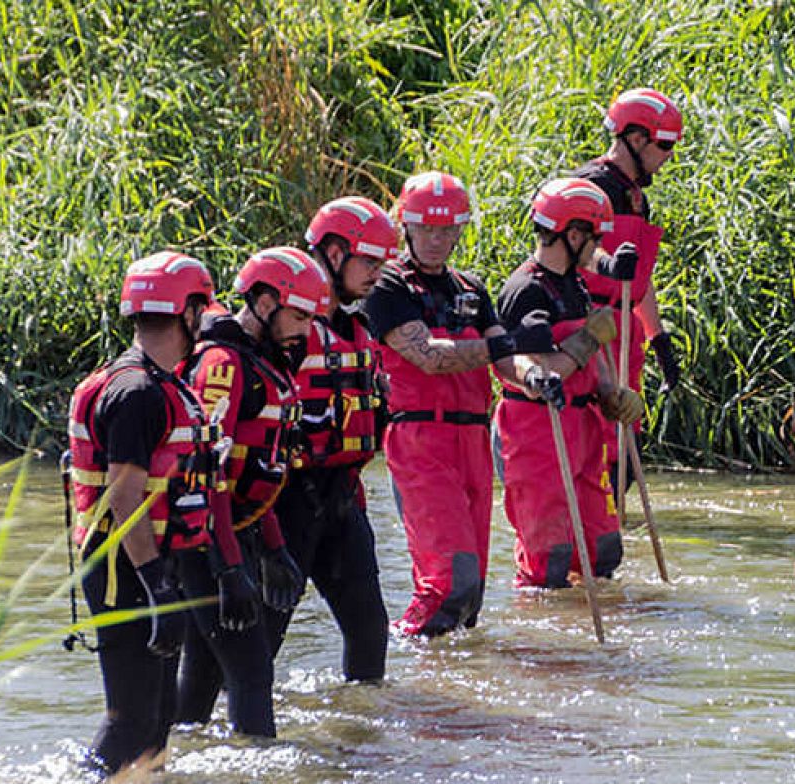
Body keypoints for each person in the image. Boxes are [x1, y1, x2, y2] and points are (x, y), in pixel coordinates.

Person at [365, 172, 550, 635]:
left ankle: (453, 672)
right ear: (406, 227)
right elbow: (428, 357)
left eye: (446, 230)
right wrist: (504, 345)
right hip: (420, 439)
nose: (435, 239)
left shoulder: (470, 287)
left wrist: (534, 376)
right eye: (426, 228)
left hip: (472, 441)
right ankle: (403, 651)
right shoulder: (388, 286)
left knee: (472, 596)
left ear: (459, 231)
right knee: (450, 583)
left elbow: (504, 359)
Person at [64, 254, 219, 775]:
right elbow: (124, 496)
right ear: (188, 313)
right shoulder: (138, 393)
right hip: (125, 569)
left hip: (148, 564)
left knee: (159, 715)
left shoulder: (155, 382)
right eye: (201, 310)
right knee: (130, 717)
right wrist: (158, 588)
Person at [175, 247, 329, 738]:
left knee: (203, 671)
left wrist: (275, 547)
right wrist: (228, 567)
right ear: (264, 302)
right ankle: (256, 774)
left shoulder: (265, 363)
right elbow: (209, 473)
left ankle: (173, 761)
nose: (306, 331)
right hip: (206, 538)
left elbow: (255, 472)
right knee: (252, 670)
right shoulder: (222, 365)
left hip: (234, 531)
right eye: (299, 316)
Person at [495, 178, 644, 588]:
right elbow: (542, 374)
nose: (598, 248)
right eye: (594, 238)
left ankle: (587, 617)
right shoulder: (526, 291)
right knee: (550, 559)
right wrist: (588, 338)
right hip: (537, 429)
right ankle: (539, 623)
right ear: (573, 235)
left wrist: (612, 394)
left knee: (603, 549)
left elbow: (591, 362)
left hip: (582, 426)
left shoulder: (573, 283)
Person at [274, 197, 396, 677]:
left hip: (342, 497)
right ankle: (229, 720)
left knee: (370, 629)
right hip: (286, 501)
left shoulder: (357, 326)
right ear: (334, 252)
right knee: (261, 638)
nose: (376, 276)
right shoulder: (286, 325)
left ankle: (365, 723)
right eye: (369, 262)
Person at [577, 88, 684, 494]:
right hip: (592, 330)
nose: (669, 156)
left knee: (625, 460)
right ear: (636, 139)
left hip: (626, 335)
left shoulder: (638, 199)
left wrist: (659, 340)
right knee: (599, 458)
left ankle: (611, 528)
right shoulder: (587, 189)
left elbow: (639, 279)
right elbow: (571, 259)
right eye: (665, 145)